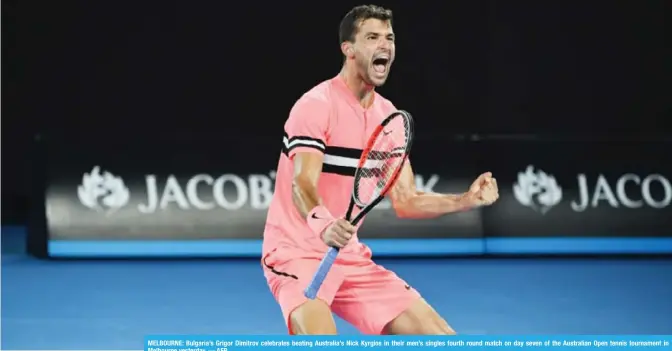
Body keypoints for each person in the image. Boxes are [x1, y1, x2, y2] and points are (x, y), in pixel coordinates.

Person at [261, 4, 499, 335]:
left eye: (389, 37)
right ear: (348, 49)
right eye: (372, 37)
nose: (384, 45)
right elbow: (302, 184)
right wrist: (324, 225)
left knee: (442, 340)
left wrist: (466, 200)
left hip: (349, 257)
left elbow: (407, 200)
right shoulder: (316, 105)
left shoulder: (389, 120)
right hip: (296, 253)